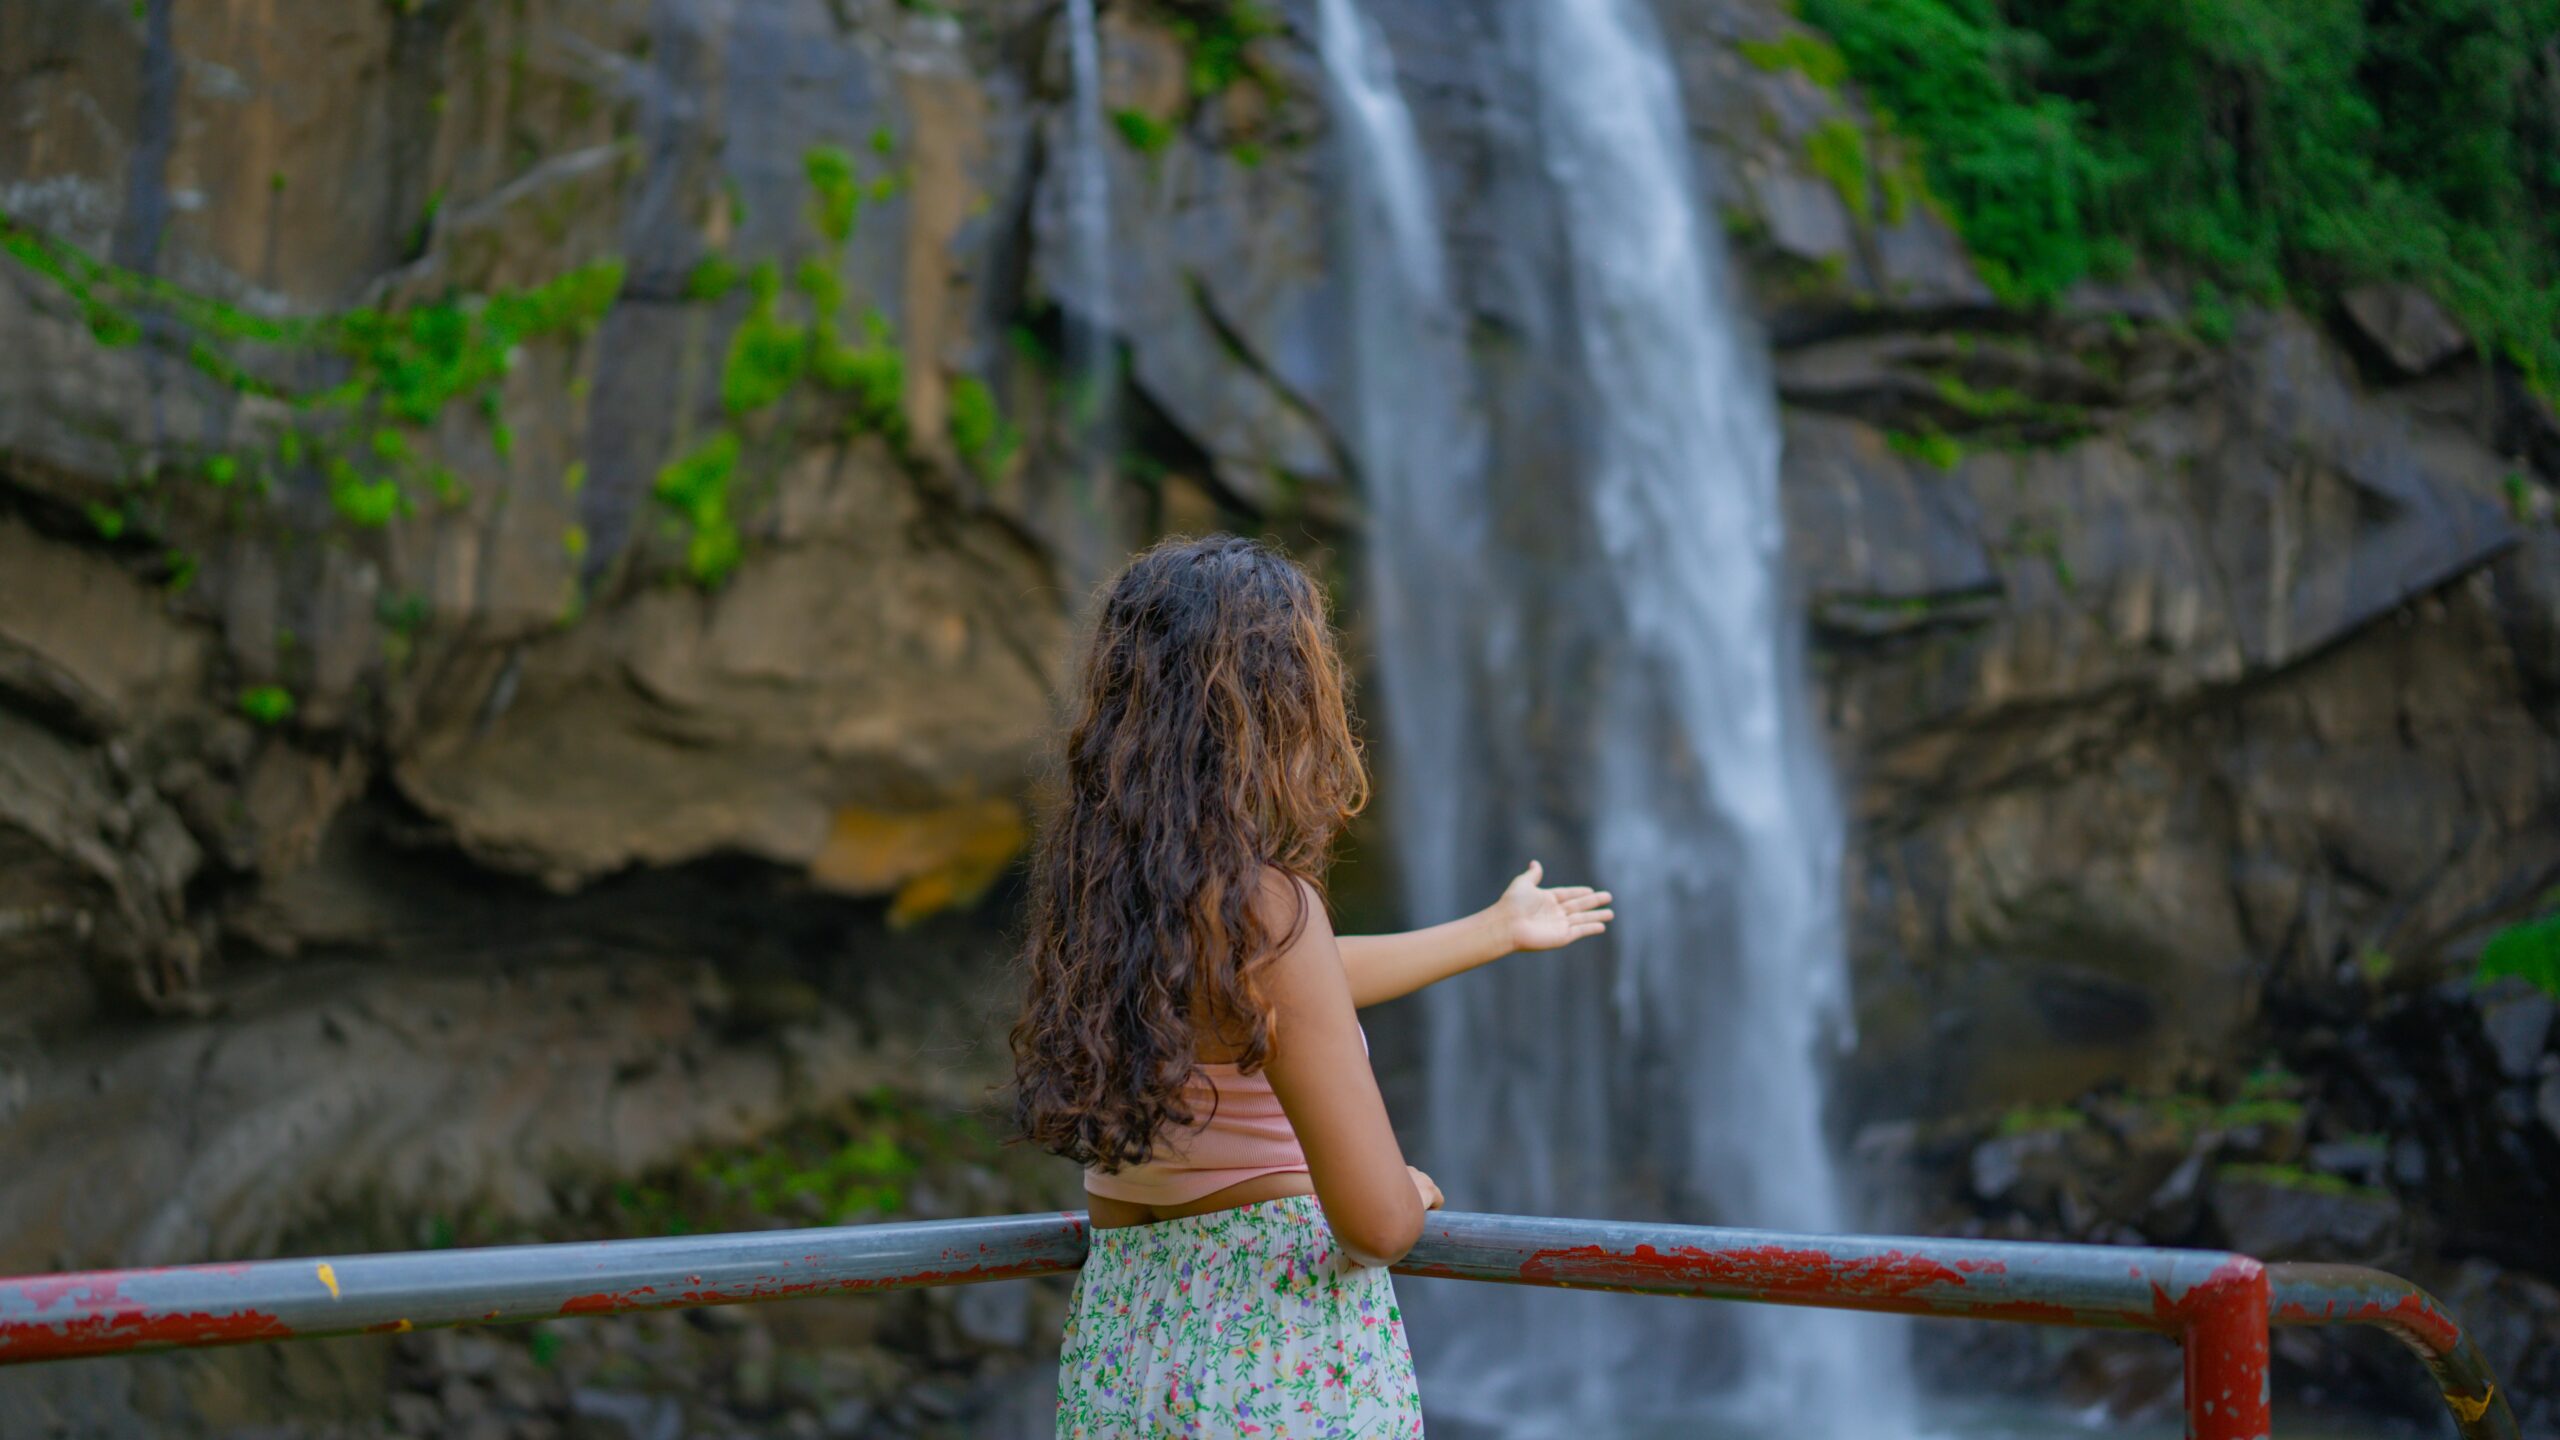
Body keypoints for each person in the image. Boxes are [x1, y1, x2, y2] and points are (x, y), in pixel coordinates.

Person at [1011, 534, 1613, 1437]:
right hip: (1270, 1367)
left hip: (1125, 1355)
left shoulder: (1105, 897)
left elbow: (1299, 985)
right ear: (1275, 701)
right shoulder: (1265, 905)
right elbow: (1376, 1225)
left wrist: (1493, 931)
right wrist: (1411, 1189)